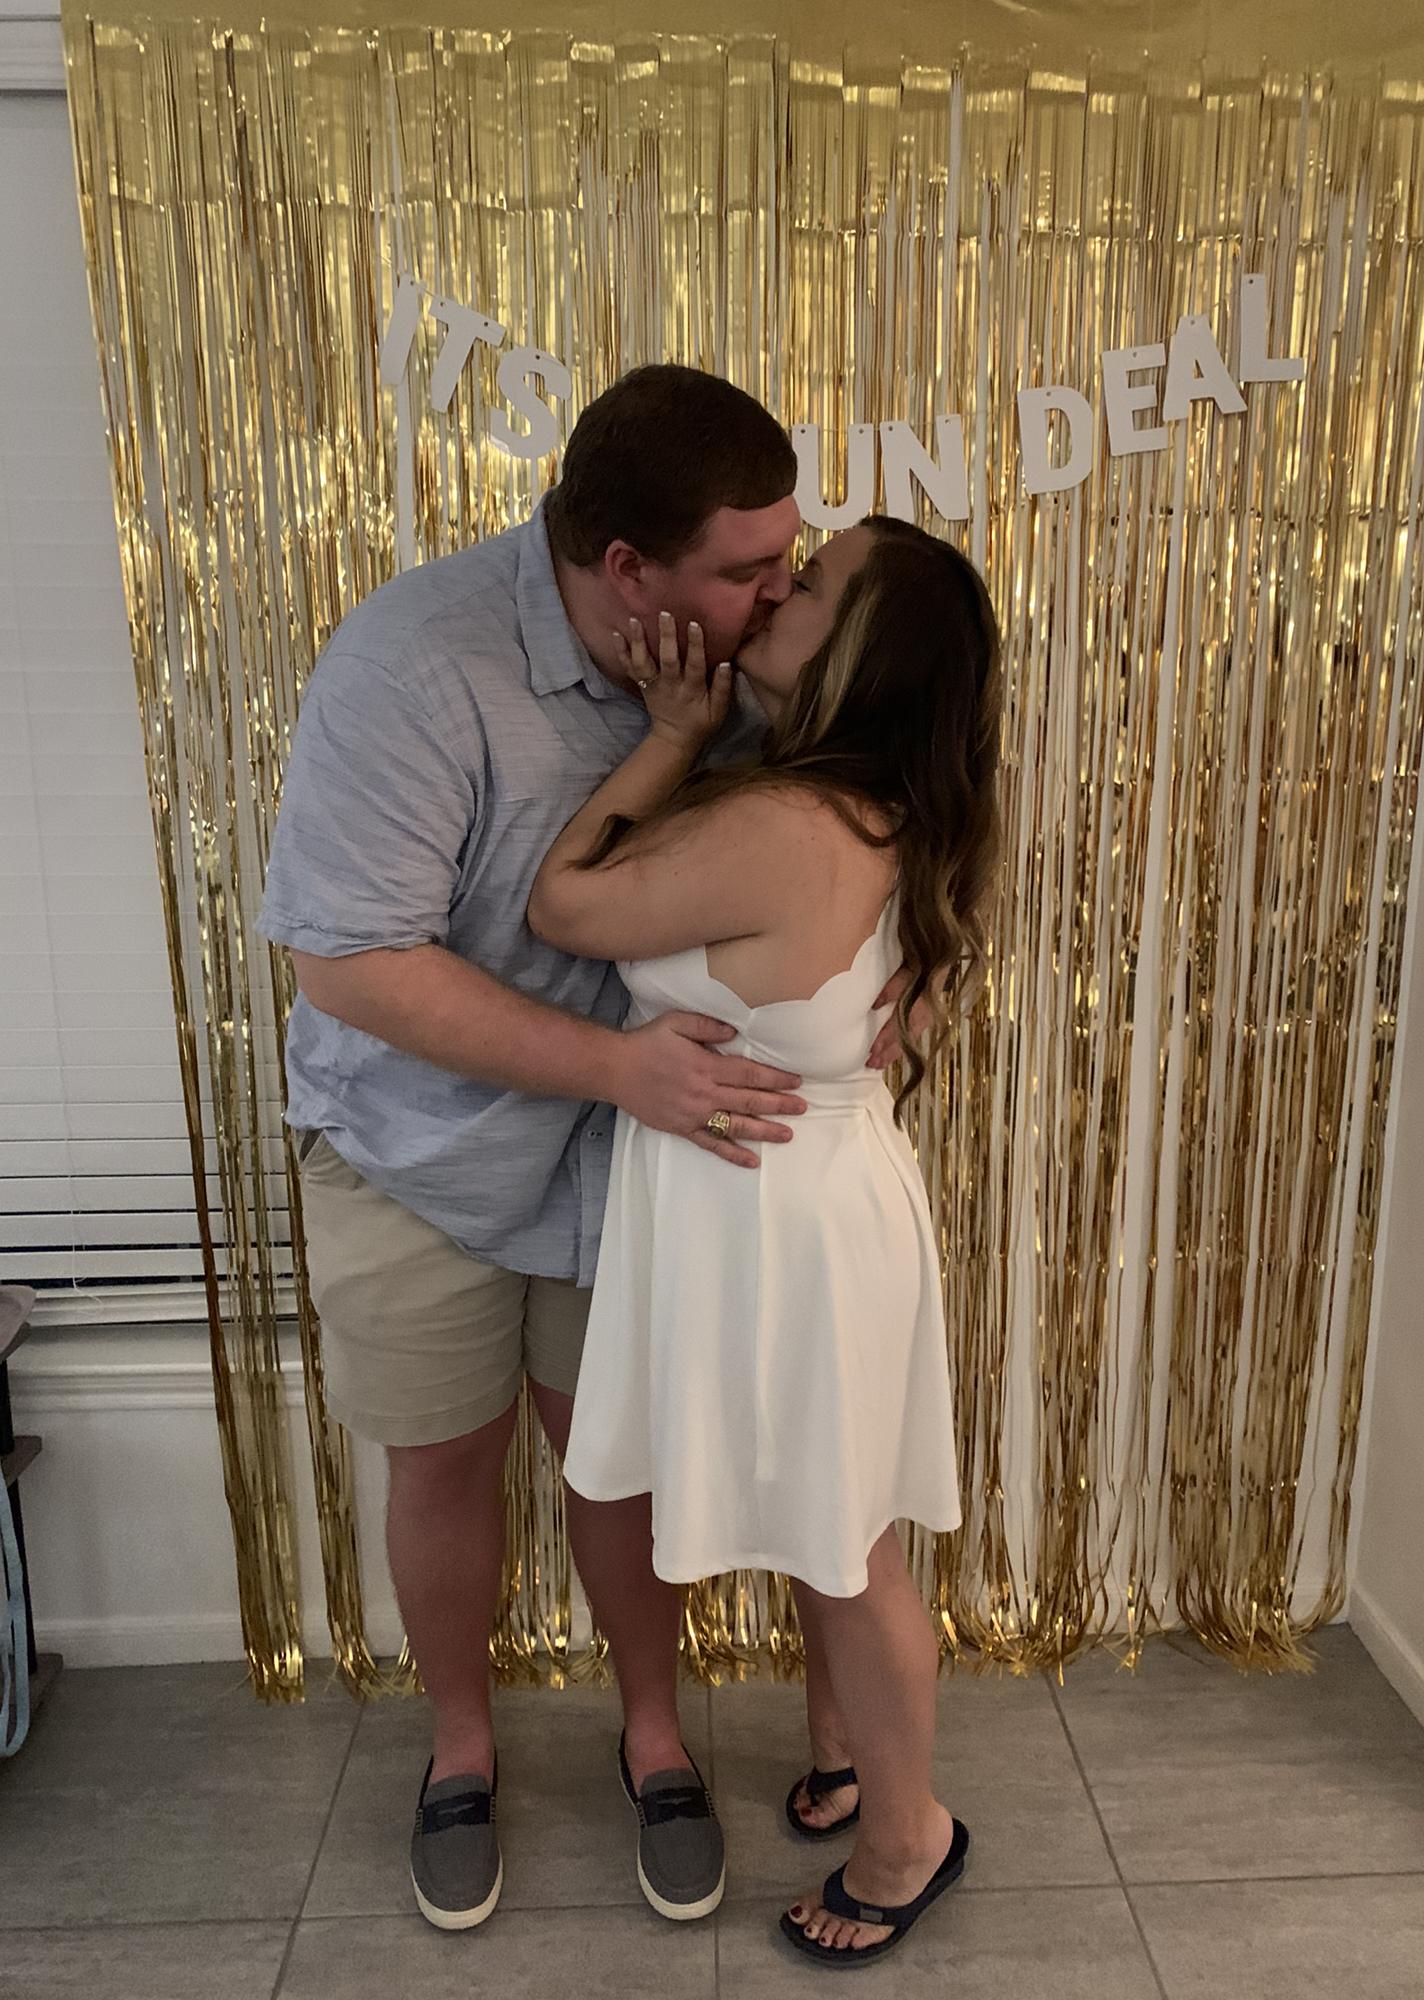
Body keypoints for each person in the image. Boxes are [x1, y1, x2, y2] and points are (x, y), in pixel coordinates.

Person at [255, 365, 917, 1932]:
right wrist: (619, 1067)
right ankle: (461, 1749)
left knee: (617, 1463)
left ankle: (655, 1736)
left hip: (639, 1162)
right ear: (627, 569)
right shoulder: (414, 664)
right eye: (751, 567)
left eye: (791, 559)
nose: (780, 590)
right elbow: (349, 964)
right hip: (418, 1148)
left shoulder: (754, 664)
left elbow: (901, 786)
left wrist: (925, 964)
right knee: (443, 1460)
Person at [528, 513, 1003, 1964]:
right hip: (817, 1194)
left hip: (781, 1220)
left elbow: (563, 900)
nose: (783, 590)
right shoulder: (892, 808)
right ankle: (850, 1758)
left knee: (846, 1554)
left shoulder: (788, 824)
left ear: (865, 649)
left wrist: (674, 735)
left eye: (819, 582)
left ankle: (907, 1836)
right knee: (829, 1517)